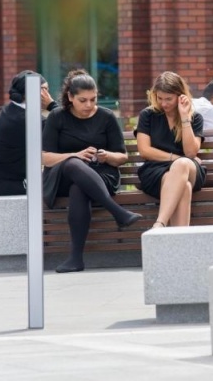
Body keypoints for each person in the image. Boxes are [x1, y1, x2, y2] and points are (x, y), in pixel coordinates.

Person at [42, 69, 142, 273]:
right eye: (82, 100)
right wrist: (75, 155)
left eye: (93, 99)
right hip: (62, 176)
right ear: (70, 97)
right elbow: (44, 157)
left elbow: (122, 156)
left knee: (79, 189)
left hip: (101, 175)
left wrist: (107, 156)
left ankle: (75, 259)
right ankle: (118, 213)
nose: (89, 105)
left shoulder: (106, 117)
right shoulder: (57, 117)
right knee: (72, 164)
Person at [135, 71, 207, 228]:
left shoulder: (195, 118)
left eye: (169, 99)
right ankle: (179, 246)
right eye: (160, 98)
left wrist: (184, 116)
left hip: (189, 169)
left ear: (181, 96)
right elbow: (144, 151)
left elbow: (190, 153)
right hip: (155, 171)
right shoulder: (148, 115)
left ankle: (160, 223)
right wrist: (175, 158)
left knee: (182, 165)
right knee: (184, 186)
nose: (164, 103)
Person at [0, 70, 58, 196]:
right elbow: (66, 126)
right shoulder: (24, 119)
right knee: (55, 187)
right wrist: (52, 105)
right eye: (44, 90)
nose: (47, 95)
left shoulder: (12, 109)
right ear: (27, 93)